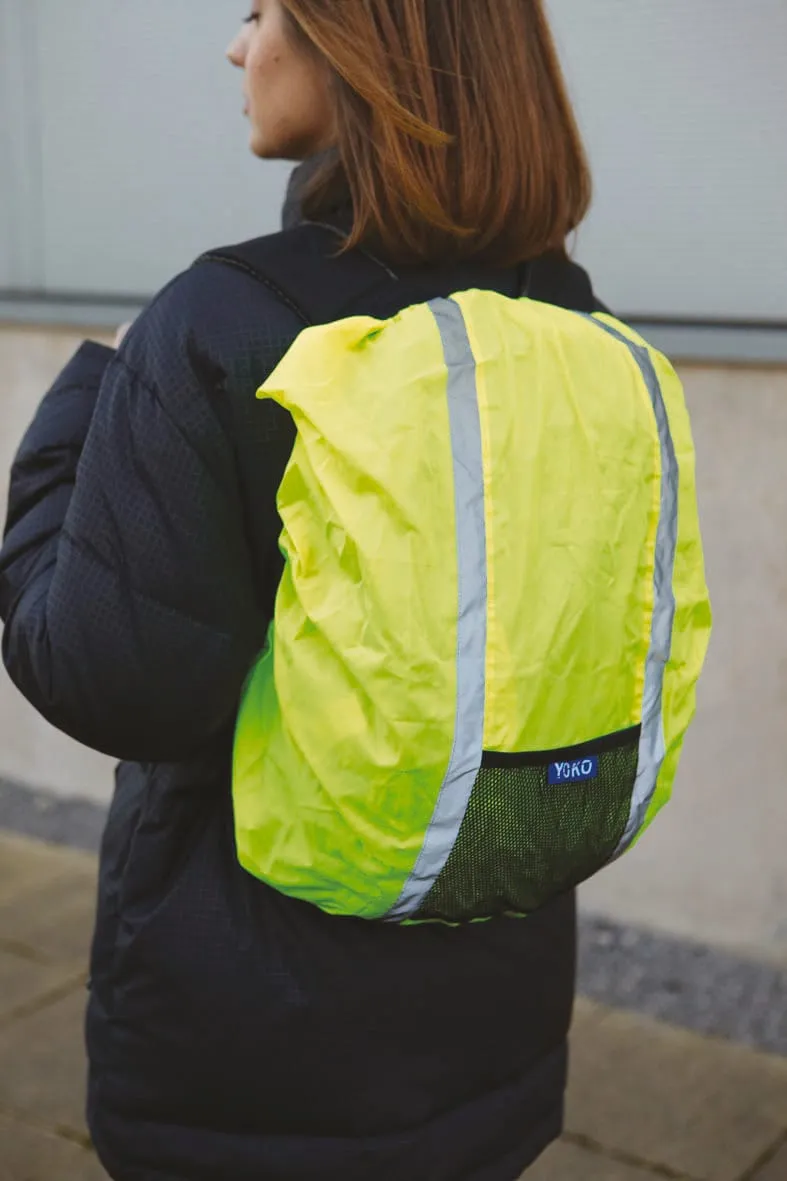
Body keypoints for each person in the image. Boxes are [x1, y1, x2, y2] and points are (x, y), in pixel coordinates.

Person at [2, 2, 613, 1178]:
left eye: (260, 11)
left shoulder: (226, 320)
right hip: (500, 990)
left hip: (253, 1036)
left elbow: (110, 677)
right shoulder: (572, 319)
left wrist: (83, 407)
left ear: (357, 39)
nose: (238, 47)